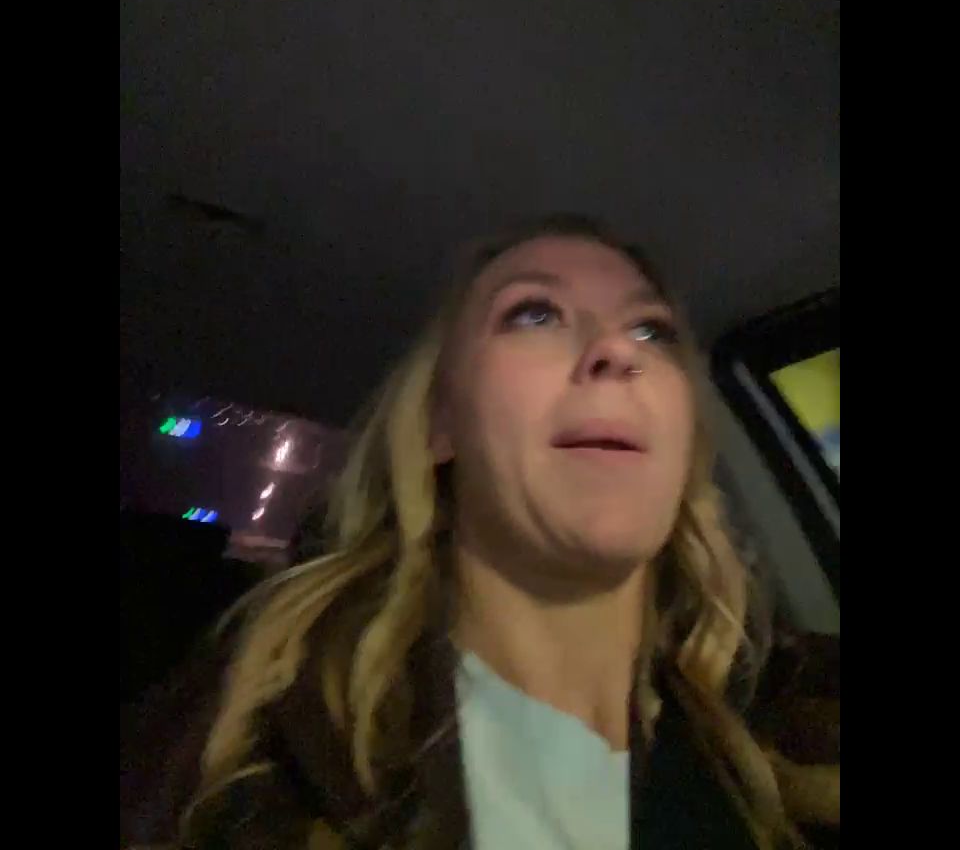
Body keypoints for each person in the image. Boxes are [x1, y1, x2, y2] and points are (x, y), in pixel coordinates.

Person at [144, 216, 838, 849]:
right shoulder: (253, 739)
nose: (616, 350)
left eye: (651, 330)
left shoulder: (788, 713)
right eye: (535, 314)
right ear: (441, 423)